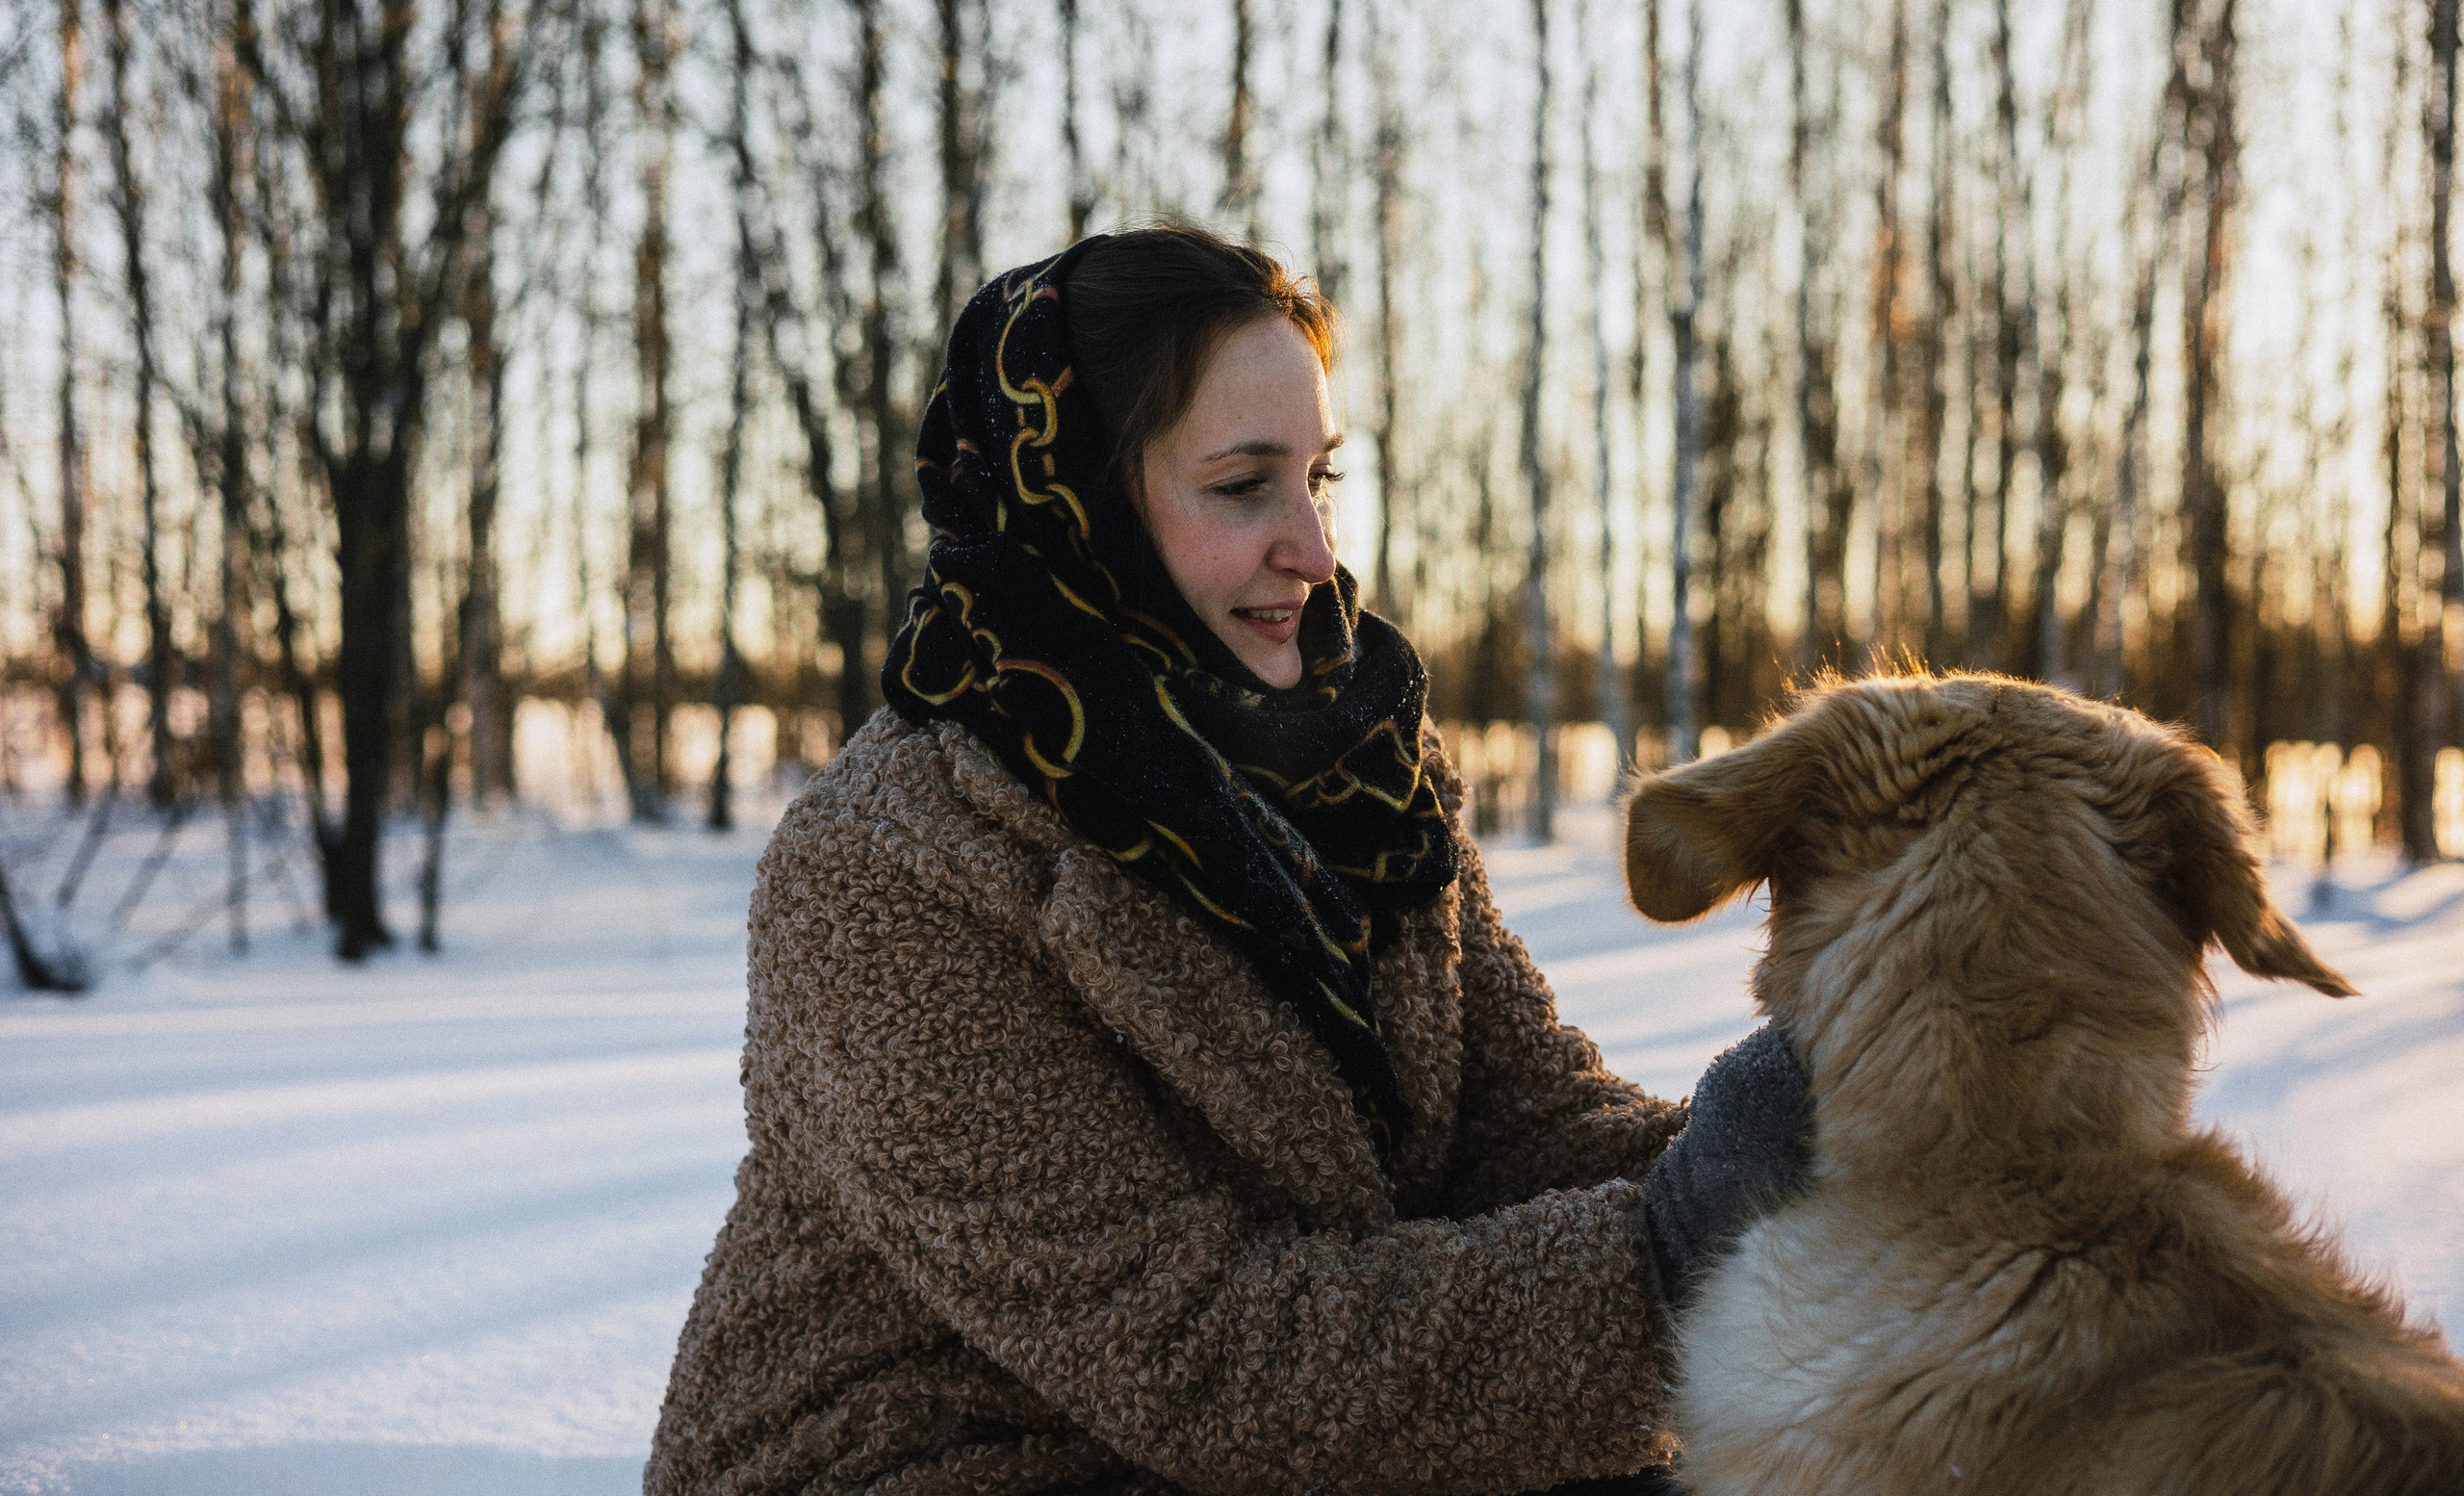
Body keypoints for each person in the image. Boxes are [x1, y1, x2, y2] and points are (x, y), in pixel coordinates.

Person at [645, 225, 1807, 1496]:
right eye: (1242, 483)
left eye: (1321, 478)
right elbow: (1201, 1349)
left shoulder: (1358, 768)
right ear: (1078, 496)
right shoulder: (892, 867)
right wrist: (1682, 1238)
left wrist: (1820, 1144)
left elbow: (1517, 1123)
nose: (1312, 549)